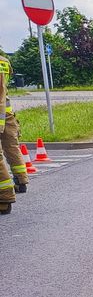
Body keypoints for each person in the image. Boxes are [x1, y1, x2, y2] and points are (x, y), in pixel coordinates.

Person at [0, 50, 29, 215]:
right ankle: (21, 179)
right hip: (7, 113)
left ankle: (4, 198)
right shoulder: (4, 61)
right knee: (11, 146)